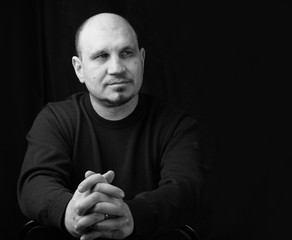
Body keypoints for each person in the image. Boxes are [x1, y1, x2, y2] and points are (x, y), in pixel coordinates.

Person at [17, 12, 203, 240]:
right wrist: (70, 212)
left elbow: (186, 189)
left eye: (126, 53)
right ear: (79, 69)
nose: (116, 68)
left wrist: (131, 215)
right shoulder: (55, 119)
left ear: (141, 60)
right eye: (101, 56)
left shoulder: (176, 125)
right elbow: (34, 183)